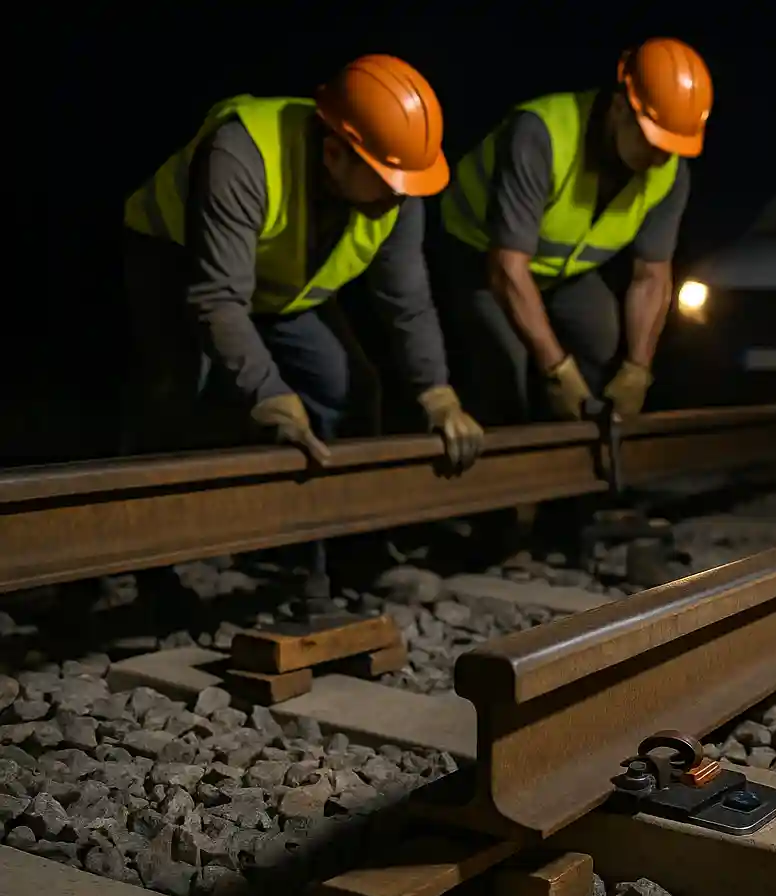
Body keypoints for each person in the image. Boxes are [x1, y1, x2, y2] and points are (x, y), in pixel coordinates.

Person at [121, 54, 484, 607]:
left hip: (281, 287)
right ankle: (145, 563)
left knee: (351, 389)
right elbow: (218, 297)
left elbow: (406, 301)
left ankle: (349, 554)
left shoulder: (396, 186)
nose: (402, 197)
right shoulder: (241, 155)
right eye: (390, 183)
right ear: (335, 151)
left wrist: (436, 391)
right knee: (180, 390)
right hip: (179, 261)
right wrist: (269, 394)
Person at [438, 38, 711, 425]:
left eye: (671, 148)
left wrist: (637, 370)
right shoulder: (540, 135)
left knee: (600, 337)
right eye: (652, 141)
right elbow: (508, 270)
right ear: (619, 106)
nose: (658, 159)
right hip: (479, 256)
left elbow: (652, 277)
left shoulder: (669, 172)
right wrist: (557, 371)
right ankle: (504, 467)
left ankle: (582, 458)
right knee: (504, 364)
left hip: (560, 271)